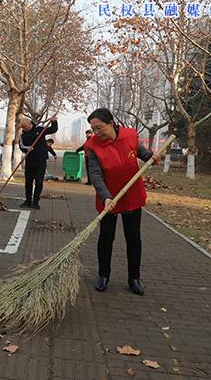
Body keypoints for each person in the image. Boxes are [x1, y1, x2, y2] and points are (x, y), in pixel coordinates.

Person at [84, 108, 160, 295]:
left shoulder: (130, 135)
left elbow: (140, 153)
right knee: (106, 237)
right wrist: (105, 196)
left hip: (132, 195)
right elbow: (94, 174)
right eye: (94, 129)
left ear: (111, 123)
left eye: (99, 128)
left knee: (133, 237)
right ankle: (104, 276)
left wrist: (150, 157)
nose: (96, 133)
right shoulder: (92, 146)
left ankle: (134, 278)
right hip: (109, 198)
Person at [19, 116, 58, 210]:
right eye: (22, 127)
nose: (24, 129)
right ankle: (28, 200)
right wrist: (26, 148)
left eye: (25, 127)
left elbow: (53, 129)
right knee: (28, 181)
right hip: (30, 161)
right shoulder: (22, 134)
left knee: (39, 182)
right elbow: (21, 146)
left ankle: (36, 202)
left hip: (41, 160)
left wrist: (54, 121)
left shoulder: (39, 129)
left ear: (29, 124)